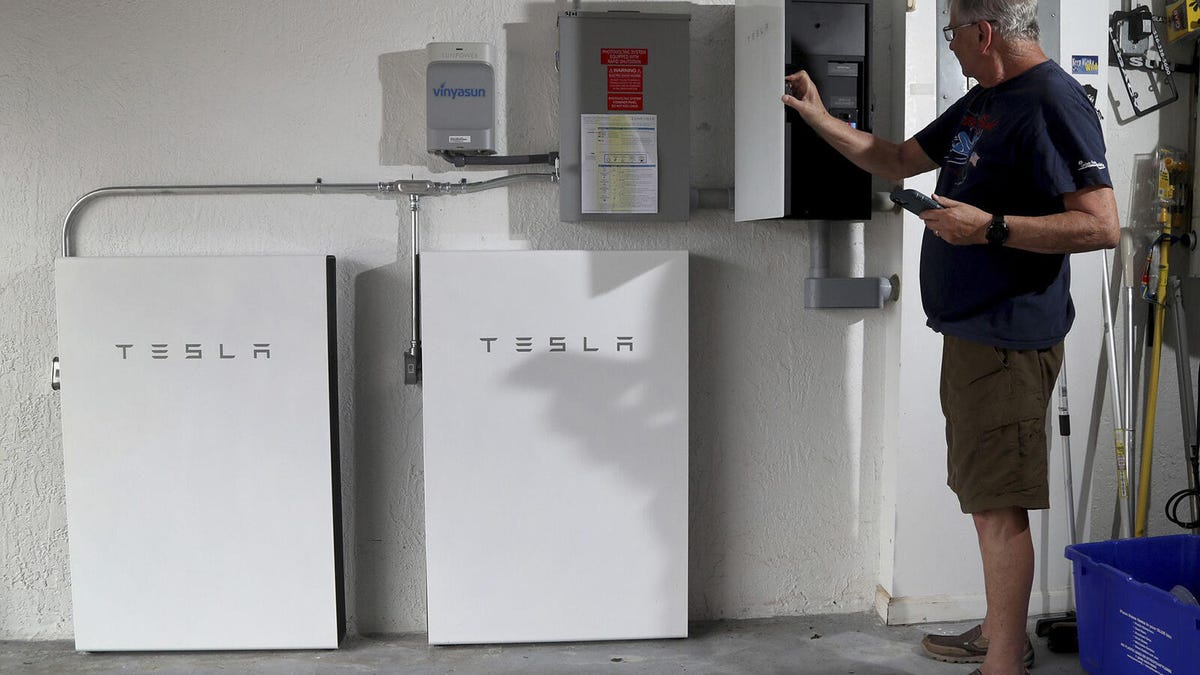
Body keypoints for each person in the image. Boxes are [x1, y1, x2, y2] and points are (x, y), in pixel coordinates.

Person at [781, 1, 1119, 674]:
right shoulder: (984, 100)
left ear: (983, 31)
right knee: (982, 493)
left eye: (952, 32)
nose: (952, 45)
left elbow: (1102, 225)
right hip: (971, 333)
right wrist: (817, 116)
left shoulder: (1052, 101)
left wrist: (990, 226)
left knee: (998, 507)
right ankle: (1000, 629)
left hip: (1008, 338)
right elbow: (899, 159)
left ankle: (1003, 661)